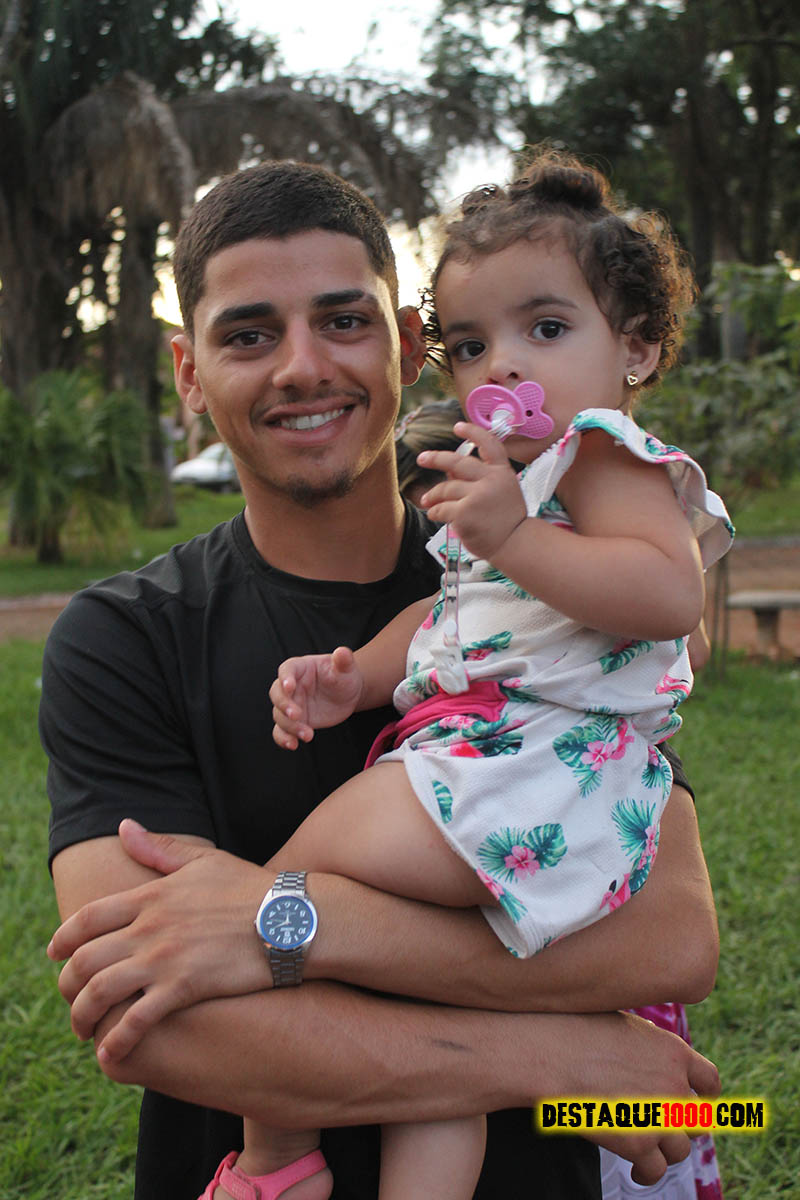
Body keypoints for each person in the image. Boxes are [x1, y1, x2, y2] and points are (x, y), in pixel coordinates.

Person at [43, 159, 720, 1200]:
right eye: (248, 334)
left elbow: (669, 944)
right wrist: (560, 1058)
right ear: (188, 371)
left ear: (405, 346)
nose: (301, 367)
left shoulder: (554, 575)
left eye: (343, 321)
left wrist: (270, 921)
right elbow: (145, 1009)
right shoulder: (122, 639)